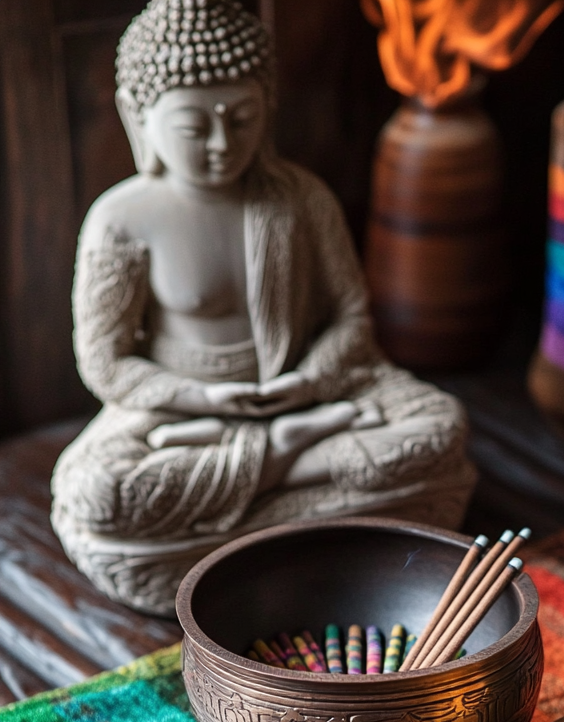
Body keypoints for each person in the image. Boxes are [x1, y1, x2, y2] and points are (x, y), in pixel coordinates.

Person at [51, 0, 475, 616]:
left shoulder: (301, 198)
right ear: (137, 118)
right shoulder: (122, 219)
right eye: (195, 128)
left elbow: (352, 317)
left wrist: (309, 381)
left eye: (243, 119)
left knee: (440, 428)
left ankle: (264, 472)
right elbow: (106, 364)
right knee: (98, 495)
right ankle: (295, 467)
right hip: (179, 410)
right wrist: (205, 400)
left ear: (268, 108)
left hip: (310, 392)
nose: (223, 144)